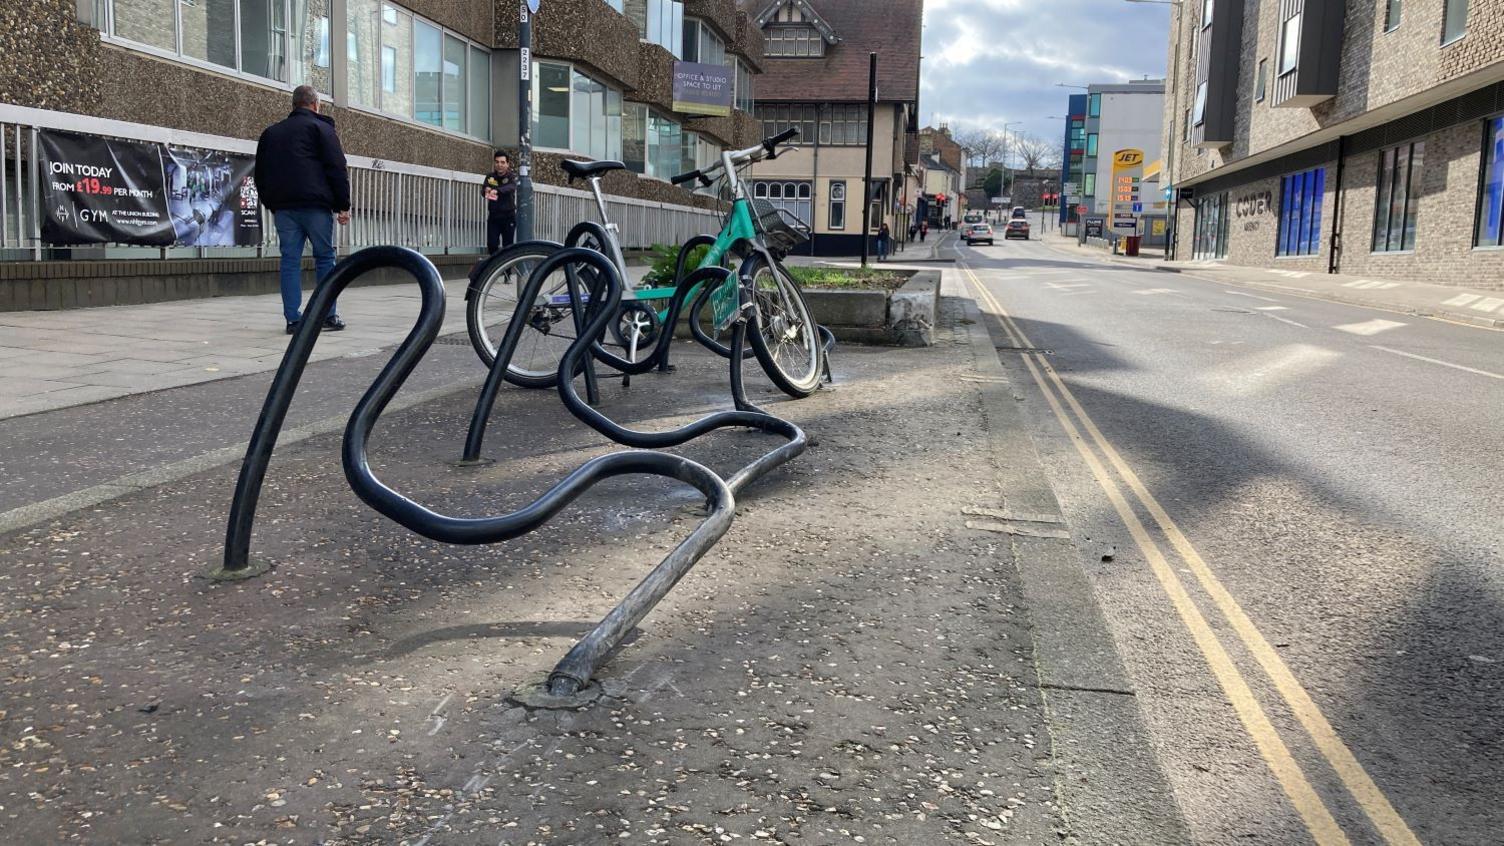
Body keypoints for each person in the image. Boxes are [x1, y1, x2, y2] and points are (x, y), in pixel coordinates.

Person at [255, 85, 351, 334]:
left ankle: (293, 320)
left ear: (294, 104)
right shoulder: (321, 128)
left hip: (285, 209)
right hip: (315, 206)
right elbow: (336, 167)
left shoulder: (271, 133)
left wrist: (272, 203)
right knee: (324, 258)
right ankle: (327, 315)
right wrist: (343, 205)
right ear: (315, 104)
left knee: (289, 261)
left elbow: (260, 174)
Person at [483, 151, 518, 253]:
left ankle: (508, 268)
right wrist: (486, 190)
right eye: (497, 162)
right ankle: (495, 266)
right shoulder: (490, 177)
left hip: (508, 216)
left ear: (507, 164)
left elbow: (511, 187)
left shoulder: (511, 177)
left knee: (508, 246)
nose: (500, 165)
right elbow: (484, 189)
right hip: (494, 216)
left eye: (503, 162)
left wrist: (497, 190)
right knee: (492, 244)